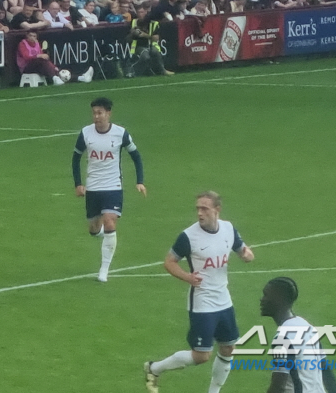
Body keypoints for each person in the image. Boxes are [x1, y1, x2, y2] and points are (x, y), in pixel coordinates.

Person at [143, 191, 254, 393]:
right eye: (198, 209)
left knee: (228, 348)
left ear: (217, 210)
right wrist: (187, 277)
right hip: (202, 303)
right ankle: (154, 368)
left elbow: (242, 250)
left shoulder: (228, 229)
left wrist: (247, 255)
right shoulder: (188, 236)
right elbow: (169, 262)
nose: (200, 213)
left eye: (204, 208)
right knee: (202, 356)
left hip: (224, 300)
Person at [72, 97, 146, 282]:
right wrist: (78, 184)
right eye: (94, 113)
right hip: (93, 188)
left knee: (110, 222)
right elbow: (76, 158)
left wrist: (140, 181)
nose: (96, 117)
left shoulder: (121, 134)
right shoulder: (85, 133)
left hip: (113, 186)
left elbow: (136, 156)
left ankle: (104, 270)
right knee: (94, 228)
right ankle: (104, 235)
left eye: (100, 113)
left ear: (108, 113)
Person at [260, 277, 336, 393]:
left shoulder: (283, 338)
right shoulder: (307, 326)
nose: (262, 300)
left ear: (279, 299)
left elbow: (278, 386)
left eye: (266, 295)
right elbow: (326, 371)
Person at [126, 2, 173, 77]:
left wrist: (145, 35)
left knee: (155, 51)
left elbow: (156, 38)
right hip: (138, 46)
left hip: (150, 44)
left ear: (145, 12)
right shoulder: (133, 22)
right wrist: (132, 33)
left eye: (141, 12)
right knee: (145, 56)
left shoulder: (153, 23)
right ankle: (135, 72)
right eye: (138, 12)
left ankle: (162, 70)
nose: (140, 14)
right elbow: (127, 39)